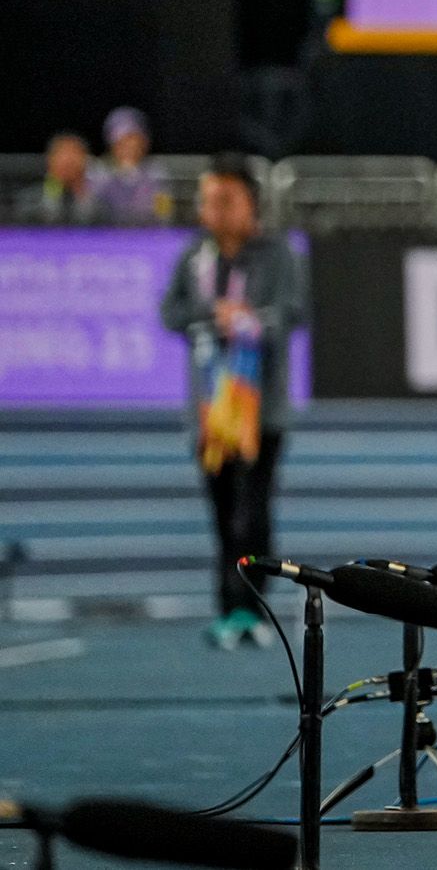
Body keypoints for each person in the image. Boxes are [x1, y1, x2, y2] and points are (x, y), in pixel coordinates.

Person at [156, 157, 303, 650]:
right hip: (208, 414)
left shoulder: (277, 254)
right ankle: (227, 608)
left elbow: (291, 312)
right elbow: (170, 313)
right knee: (222, 517)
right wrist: (211, 313)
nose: (213, 210)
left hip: (262, 412)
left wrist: (249, 321)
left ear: (249, 204)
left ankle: (253, 607)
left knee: (253, 514)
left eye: (225, 200)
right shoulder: (194, 256)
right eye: (207, 200)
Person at [96, 107, 172, 224]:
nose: (128, 147)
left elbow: (164, 213)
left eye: (133, 140)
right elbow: (93, 213)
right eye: (121, 142)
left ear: (144, 142)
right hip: (109, 237)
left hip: (147, 236)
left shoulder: (158, 174)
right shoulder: (100, 175)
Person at [16, 132, 101, 222]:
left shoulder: (101, 203)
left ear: (86, 161)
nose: (68, 161)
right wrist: (53, 192)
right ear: (49, 160)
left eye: (74, 153)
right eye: (62, 154)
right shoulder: (29, 201)